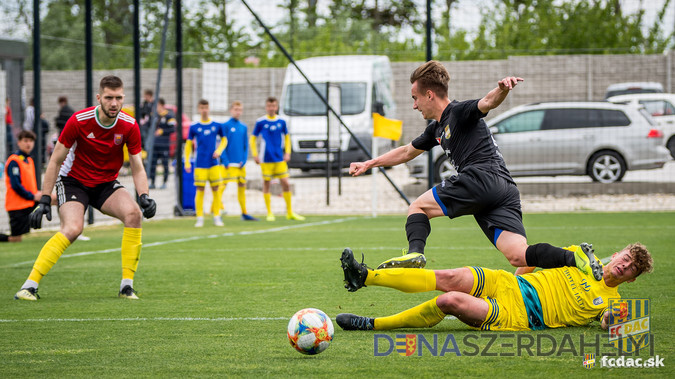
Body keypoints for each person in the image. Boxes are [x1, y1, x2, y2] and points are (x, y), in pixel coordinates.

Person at [348, 60, 602, 280]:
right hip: (505, 189)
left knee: (418, 207)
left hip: (480, 178)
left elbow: (487, 102)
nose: (414, 106)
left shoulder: (458, 112)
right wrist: (369, 163)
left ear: (429, 95)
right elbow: (406, 152)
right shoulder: (435, 129)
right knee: (519, 257)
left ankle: (416, 254)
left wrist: (502, 89)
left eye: (414, 98)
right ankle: (575, 257)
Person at [13, 75, 157, 301]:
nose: (114, 103)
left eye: (118, 98)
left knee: (133, 215)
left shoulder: (129, 125)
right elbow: (55, 161)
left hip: (105, 184)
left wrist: (145, 195)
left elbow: (138, 167)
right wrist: (43, 200)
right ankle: (28, 286)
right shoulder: (79, 120)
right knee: (73, 229)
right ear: (99, 97)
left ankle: (126, 287)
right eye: (109, 98)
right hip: (73, 182)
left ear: (123, 98)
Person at [336, 243, 653, 331]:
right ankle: (364, 277)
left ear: (631, 279)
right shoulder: (582, 258)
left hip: (520, 314)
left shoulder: (612, 300)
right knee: (450, 276)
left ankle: (372, 324)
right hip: (509, 283)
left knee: (451, 301)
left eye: (630, 268)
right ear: (618, 254)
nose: (624, 265)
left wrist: (618, 320)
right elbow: (533, 258)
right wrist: (516, 275)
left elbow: (611, 323)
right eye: (625, 258)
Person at [250, 97, 304, 221]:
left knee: (285, 183)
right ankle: (269, 212)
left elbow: (287, 137)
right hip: (266, 159)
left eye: (273, 106)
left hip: (279, 158)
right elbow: (253, 138)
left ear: (277, 107)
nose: (271, 108)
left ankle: (290, 212)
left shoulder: (282, 121)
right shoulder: (261, 122)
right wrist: (255, 154)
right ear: (266, 107)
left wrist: (288, 152)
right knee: (266, 184)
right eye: (269, 106)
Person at [184, 99, 226, 227]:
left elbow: (224, 140)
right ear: (198, 109)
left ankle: (217, 216)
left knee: (216, 189)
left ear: (209, 108)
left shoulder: (217, 125)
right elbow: (188, 144)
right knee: (200, 190)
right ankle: (200, 218)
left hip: (213, 163)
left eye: (206, 107)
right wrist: (186, 161)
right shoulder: (194, 126)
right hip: (200, 164)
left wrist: (219, 150)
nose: (204, 110)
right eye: (202, 107)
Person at [1, 131, 42, 242]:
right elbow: (16, 185)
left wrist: (37, 194)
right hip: (18, 206)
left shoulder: (29, 160)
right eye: (25, 141)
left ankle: (67, 230)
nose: (28, 144)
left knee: (54, 198)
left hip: (29, 202)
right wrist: (33, 196)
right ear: (19, 142)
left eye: (31, 141)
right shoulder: (14, 161)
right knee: (15, 239)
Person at [220, 101, 258, 221]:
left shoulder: (243, 127)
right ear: (231, 110)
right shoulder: (225, 126)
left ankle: (244, 213)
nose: (238, 112)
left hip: (240, 164)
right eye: (235, 109)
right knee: (221, 187)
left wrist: (244, 160)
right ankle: (215, 210)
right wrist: (225, 161)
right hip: (227, 165)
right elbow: (222, 145)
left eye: (239, 110)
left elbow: (245, 146)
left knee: (242, 186)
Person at [147, 98, 176, 189]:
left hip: (164, 144)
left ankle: (164, 182)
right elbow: (147, 126)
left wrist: (162, 131)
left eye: (158, 105)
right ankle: (152, 182)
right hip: (154, 145)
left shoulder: (169, 116)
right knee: (152, 163)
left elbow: (173, 129)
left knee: (165, 164)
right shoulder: (153, 116)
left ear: (162, 105)